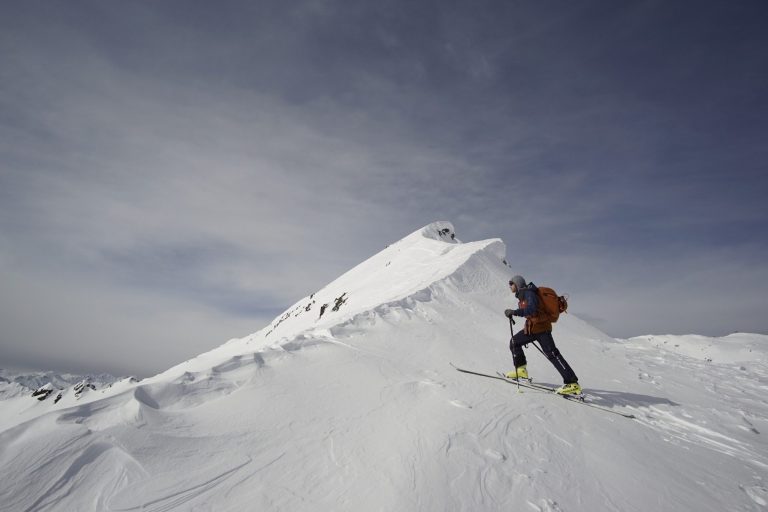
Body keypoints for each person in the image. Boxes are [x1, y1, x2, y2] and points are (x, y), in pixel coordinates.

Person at [504, 275, 582, 395]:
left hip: (541, 329)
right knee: (514, 342)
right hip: (533, 329)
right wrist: (514, 313)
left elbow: (532, 310)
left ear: (518, 284)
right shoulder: (523, 295)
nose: (510, 286)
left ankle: (572, 383)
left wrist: (514, 312)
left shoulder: (529, 293)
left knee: (553, 354)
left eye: (511, 283)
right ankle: (521, 370)